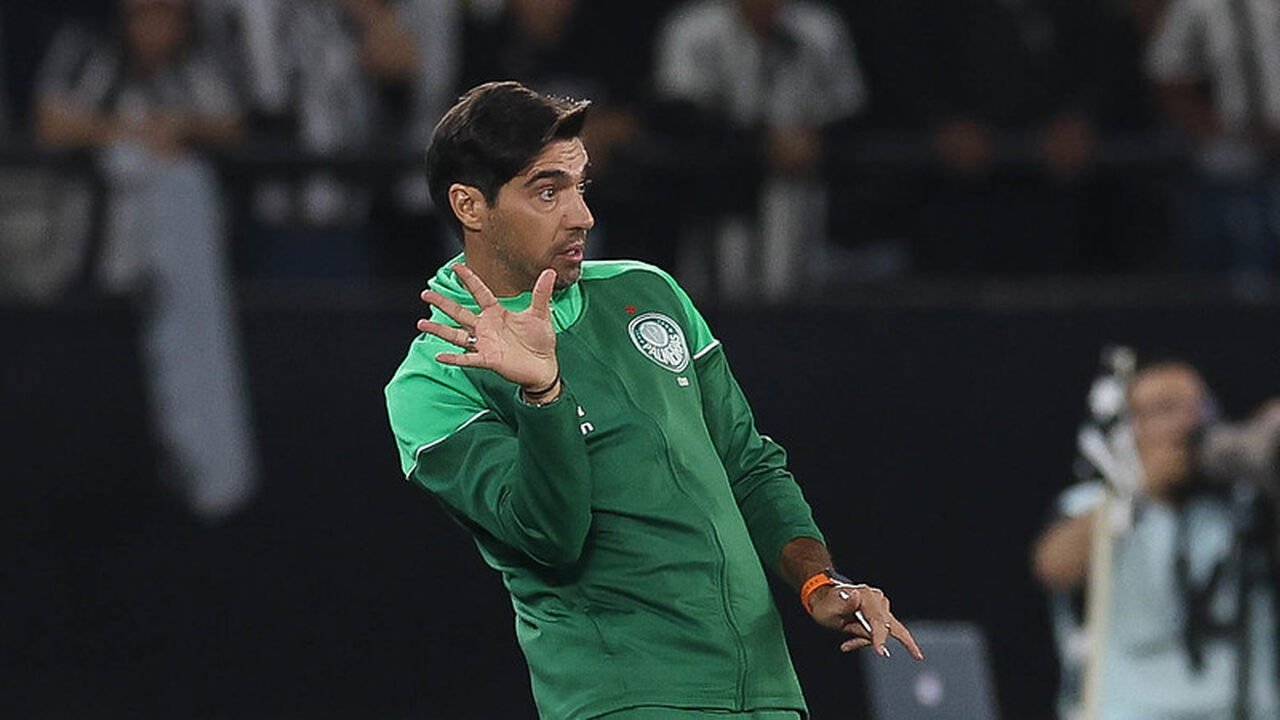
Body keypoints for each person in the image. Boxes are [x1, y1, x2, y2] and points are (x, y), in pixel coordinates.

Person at [384, 80, 922, 719]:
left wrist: (816, 581)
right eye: (547, 191)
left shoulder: (650, 292)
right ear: (470, 205)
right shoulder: (430, 383)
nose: (581, 215)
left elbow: (747, 465)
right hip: (628, 700)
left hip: (768, 694)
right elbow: (550, 537)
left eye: (581, 187)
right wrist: (543, 393)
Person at [34, 0, 258, 520]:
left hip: (180, 275)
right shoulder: (86, 51)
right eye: (146, 14)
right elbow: (50, 124)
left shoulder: (198, 58)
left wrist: (176, 128)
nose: (157, 27)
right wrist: (127, 133)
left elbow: (232, 123)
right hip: (89, 271)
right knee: (93, 424)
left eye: (168, 15)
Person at [1033, 360, 1279, 719]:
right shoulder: (1098, 505)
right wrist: (1137, 491)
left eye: (1200, 408)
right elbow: (1052, 567)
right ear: (1128, 427)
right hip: (1131, 708)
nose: (1187, 424)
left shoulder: (1247, 506)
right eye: (1165, 410)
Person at [651, 0, 868, 303]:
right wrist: (760, 145)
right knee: (719, 290)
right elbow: (678, 113)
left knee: (795, 288)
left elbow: (848, 109)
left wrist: (816, 141)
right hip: (717, 190)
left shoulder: (818, 28)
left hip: (799, 187)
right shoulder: (695, 29)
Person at [1146, 0, 1280, 282]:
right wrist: (1228, 130)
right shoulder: (1202, 8)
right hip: (1226, 173)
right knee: (1231, 285)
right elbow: (1168, 79)